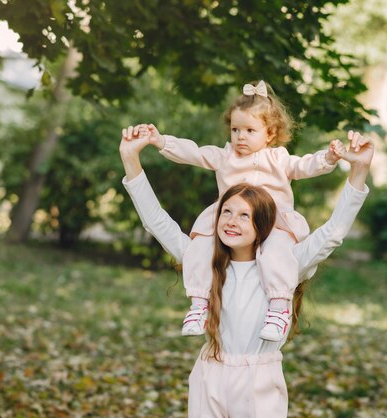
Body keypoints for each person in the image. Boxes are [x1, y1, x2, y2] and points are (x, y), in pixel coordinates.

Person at [119, 126, 373, 417]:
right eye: (226, 212)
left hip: (259, 382)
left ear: (261, 224)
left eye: (244, 216)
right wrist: (131, 159)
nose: (231, 221)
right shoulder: (204, 260)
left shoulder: (287, 263)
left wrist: (359, 169)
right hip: (209, 376)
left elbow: (332, 233)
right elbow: (156, 221)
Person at [132, 80, 345, 341]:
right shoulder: (225, 156)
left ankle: (278, 308)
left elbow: (305, 166)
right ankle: (200, 303)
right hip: (230, 216)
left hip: (271, 220)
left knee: (278, 250)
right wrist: (161, 141)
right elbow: (194, 153)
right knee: (200, 246)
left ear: (269, 134)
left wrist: (329, 158)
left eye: (249, 130)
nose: (240, 136)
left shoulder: (277, 158)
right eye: (235, 129)